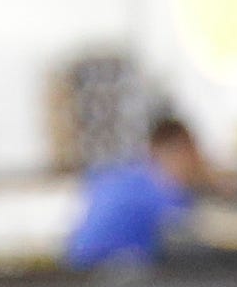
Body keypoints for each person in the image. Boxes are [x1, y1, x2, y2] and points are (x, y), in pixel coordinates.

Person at [65, 114, 208, 270]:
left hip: (77, 277)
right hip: (116, 277)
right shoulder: (159, 186)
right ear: (183, 151)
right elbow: (196, 227)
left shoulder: (124, 175)